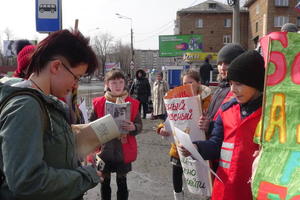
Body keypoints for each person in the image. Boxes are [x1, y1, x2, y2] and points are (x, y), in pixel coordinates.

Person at [0, 29, 101, 200]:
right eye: (76, 77)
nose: (75, 85)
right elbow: (27, 181)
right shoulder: (26, 106)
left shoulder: (42, 102)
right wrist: (86, 176)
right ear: (55, 66)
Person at [179, 50, 265, 200]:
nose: (232, 90)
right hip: (224, 189)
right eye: (231, 84)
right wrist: (196, 148)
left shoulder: (270, 115)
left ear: (255, 83)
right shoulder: (226, 110)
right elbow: (215, 144)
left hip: (254, 191)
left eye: (238, 84)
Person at [157, 69, 211, 200]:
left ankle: (207, 196)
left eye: (190, 82)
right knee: (177, 172)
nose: (187, 86)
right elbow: (169, 119)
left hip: (201, 144)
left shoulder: (208, 100)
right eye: (184, 83)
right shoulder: (177, 98)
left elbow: (215, 121)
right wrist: (161, 129)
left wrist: (208, 123)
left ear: (199, 83)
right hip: (179, 146)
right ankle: (178, 196)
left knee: (202, 175)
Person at [89, 69, 142, 200]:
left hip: (123, 151)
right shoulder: (98, 103)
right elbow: (90, 123)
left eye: (121, 82)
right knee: (104, 183)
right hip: (104, 151)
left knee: (122, 183)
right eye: (114, 82)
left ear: (125, 83)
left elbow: (139, 125)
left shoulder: (132, 103)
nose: (118, 86)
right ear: (107, 84)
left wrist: (133, 127)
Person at [199, 43, 245, 136]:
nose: (222, 67)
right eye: (219, 64)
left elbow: (234, 124)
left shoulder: (240, 91)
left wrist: (210, 126)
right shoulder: (220, 88)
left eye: (227, 63)